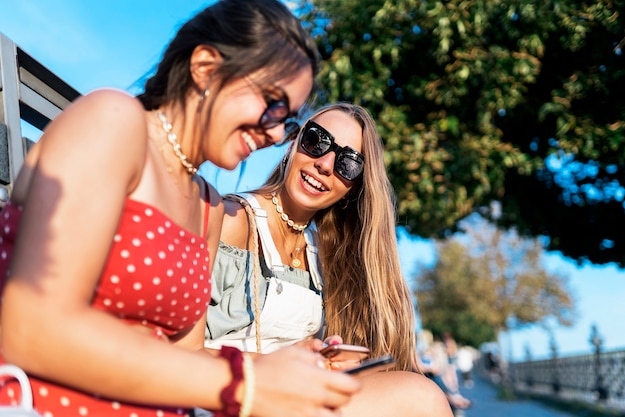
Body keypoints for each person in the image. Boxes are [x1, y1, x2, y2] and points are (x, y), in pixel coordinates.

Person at [0, 1, 363, 416]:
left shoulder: (207, 206)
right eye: (272, 104)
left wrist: (282, 367)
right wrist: (245, 383)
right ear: (206, 67)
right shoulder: (114, 122)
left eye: (288, 120)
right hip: (43, 400)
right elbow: (32, 328)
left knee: (411, 395)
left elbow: (187, 355)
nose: (277, 132)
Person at [205, 102, 454, 416]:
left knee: (413, 392)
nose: (325, 164)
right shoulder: (232, 220)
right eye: (316, 140)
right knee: (421, 399)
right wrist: (276, 366)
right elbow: (175, 353)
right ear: (293, 144)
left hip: (289, 400)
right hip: (227, 399)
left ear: (353, 188)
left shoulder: (320, 252)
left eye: (348, 163)